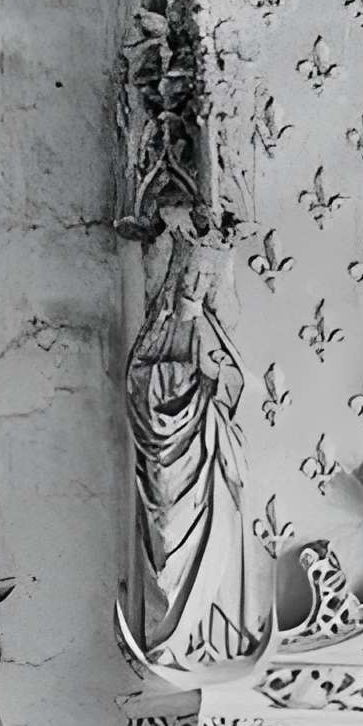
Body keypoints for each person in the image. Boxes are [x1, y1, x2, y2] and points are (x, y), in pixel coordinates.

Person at [126, 244, 256, 667]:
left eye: (202, 280)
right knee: (164, 536)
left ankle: (201, 634)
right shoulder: (160, 336)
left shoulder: (211, 333)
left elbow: (241, 387)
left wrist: (213, 378)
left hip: (204, 458)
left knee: (208, 539)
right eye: (189, 279)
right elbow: (140, 383)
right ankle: (169, 637)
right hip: (168, 462)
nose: (194, 286)